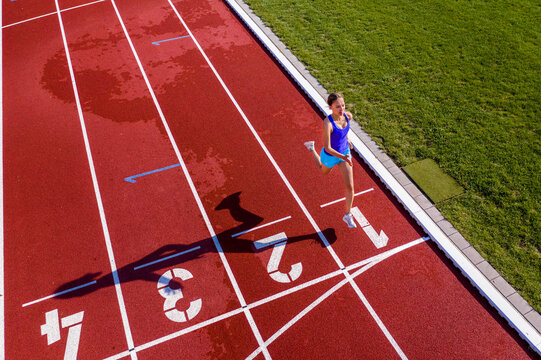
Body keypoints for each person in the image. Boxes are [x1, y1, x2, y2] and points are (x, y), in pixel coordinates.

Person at [304, 93, 357, 228]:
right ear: (330, 107)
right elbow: (327, 147)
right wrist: (342, 157)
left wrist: (348, 141)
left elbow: (345, 133)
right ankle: (312, 149)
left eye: (343, 105)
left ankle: (348, 214)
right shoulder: (328, 123)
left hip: (344, 153)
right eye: (337, 106)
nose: (341, 109)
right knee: (323, 171)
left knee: (350, 187)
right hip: (330, 155)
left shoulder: (347, 116)